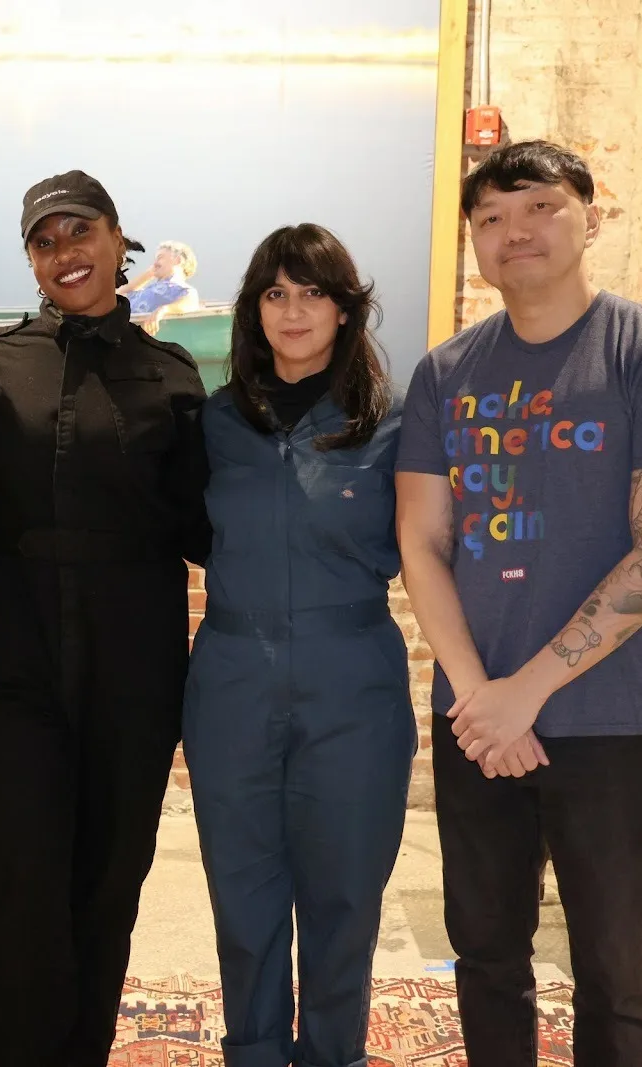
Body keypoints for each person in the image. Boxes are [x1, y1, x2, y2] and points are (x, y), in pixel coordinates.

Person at [395, 139, 642, 1066]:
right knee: (486, 955)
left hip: (606, 722)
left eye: (540, 206)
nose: (516, 231)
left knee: (615, 971)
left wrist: (525, 693)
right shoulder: (444, 372)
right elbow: (421, 543)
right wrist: (479, 697)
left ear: (592, 215)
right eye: (492, 217)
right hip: (476, 722)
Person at [0, 169, 210, 1066]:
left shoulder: (173, 376)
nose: (65, 253)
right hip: (16, 652)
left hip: (136, 656)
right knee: (22, 878)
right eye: (45, 241)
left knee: (110, 878)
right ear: (32, 261)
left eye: (80, 232)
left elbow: (204, 525)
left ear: (116, 239)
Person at [183, 224, 413, 1066]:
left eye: (313, 292)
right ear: (253, 310)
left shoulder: (392, 420)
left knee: (344, 898)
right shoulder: (215, 422)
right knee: (242, 897)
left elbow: (428, 545)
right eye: (275, 293)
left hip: (353, 680)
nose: (293, 310)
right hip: (233, 676)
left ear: (345, 308)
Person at [119, 240, 201, 333]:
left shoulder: (180, 289)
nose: (154, 263)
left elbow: (191, 302)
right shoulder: (149, 289)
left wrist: (163, 310)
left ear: (178, 260)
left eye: (160, 257)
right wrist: (149, 274)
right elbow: (119, 293)